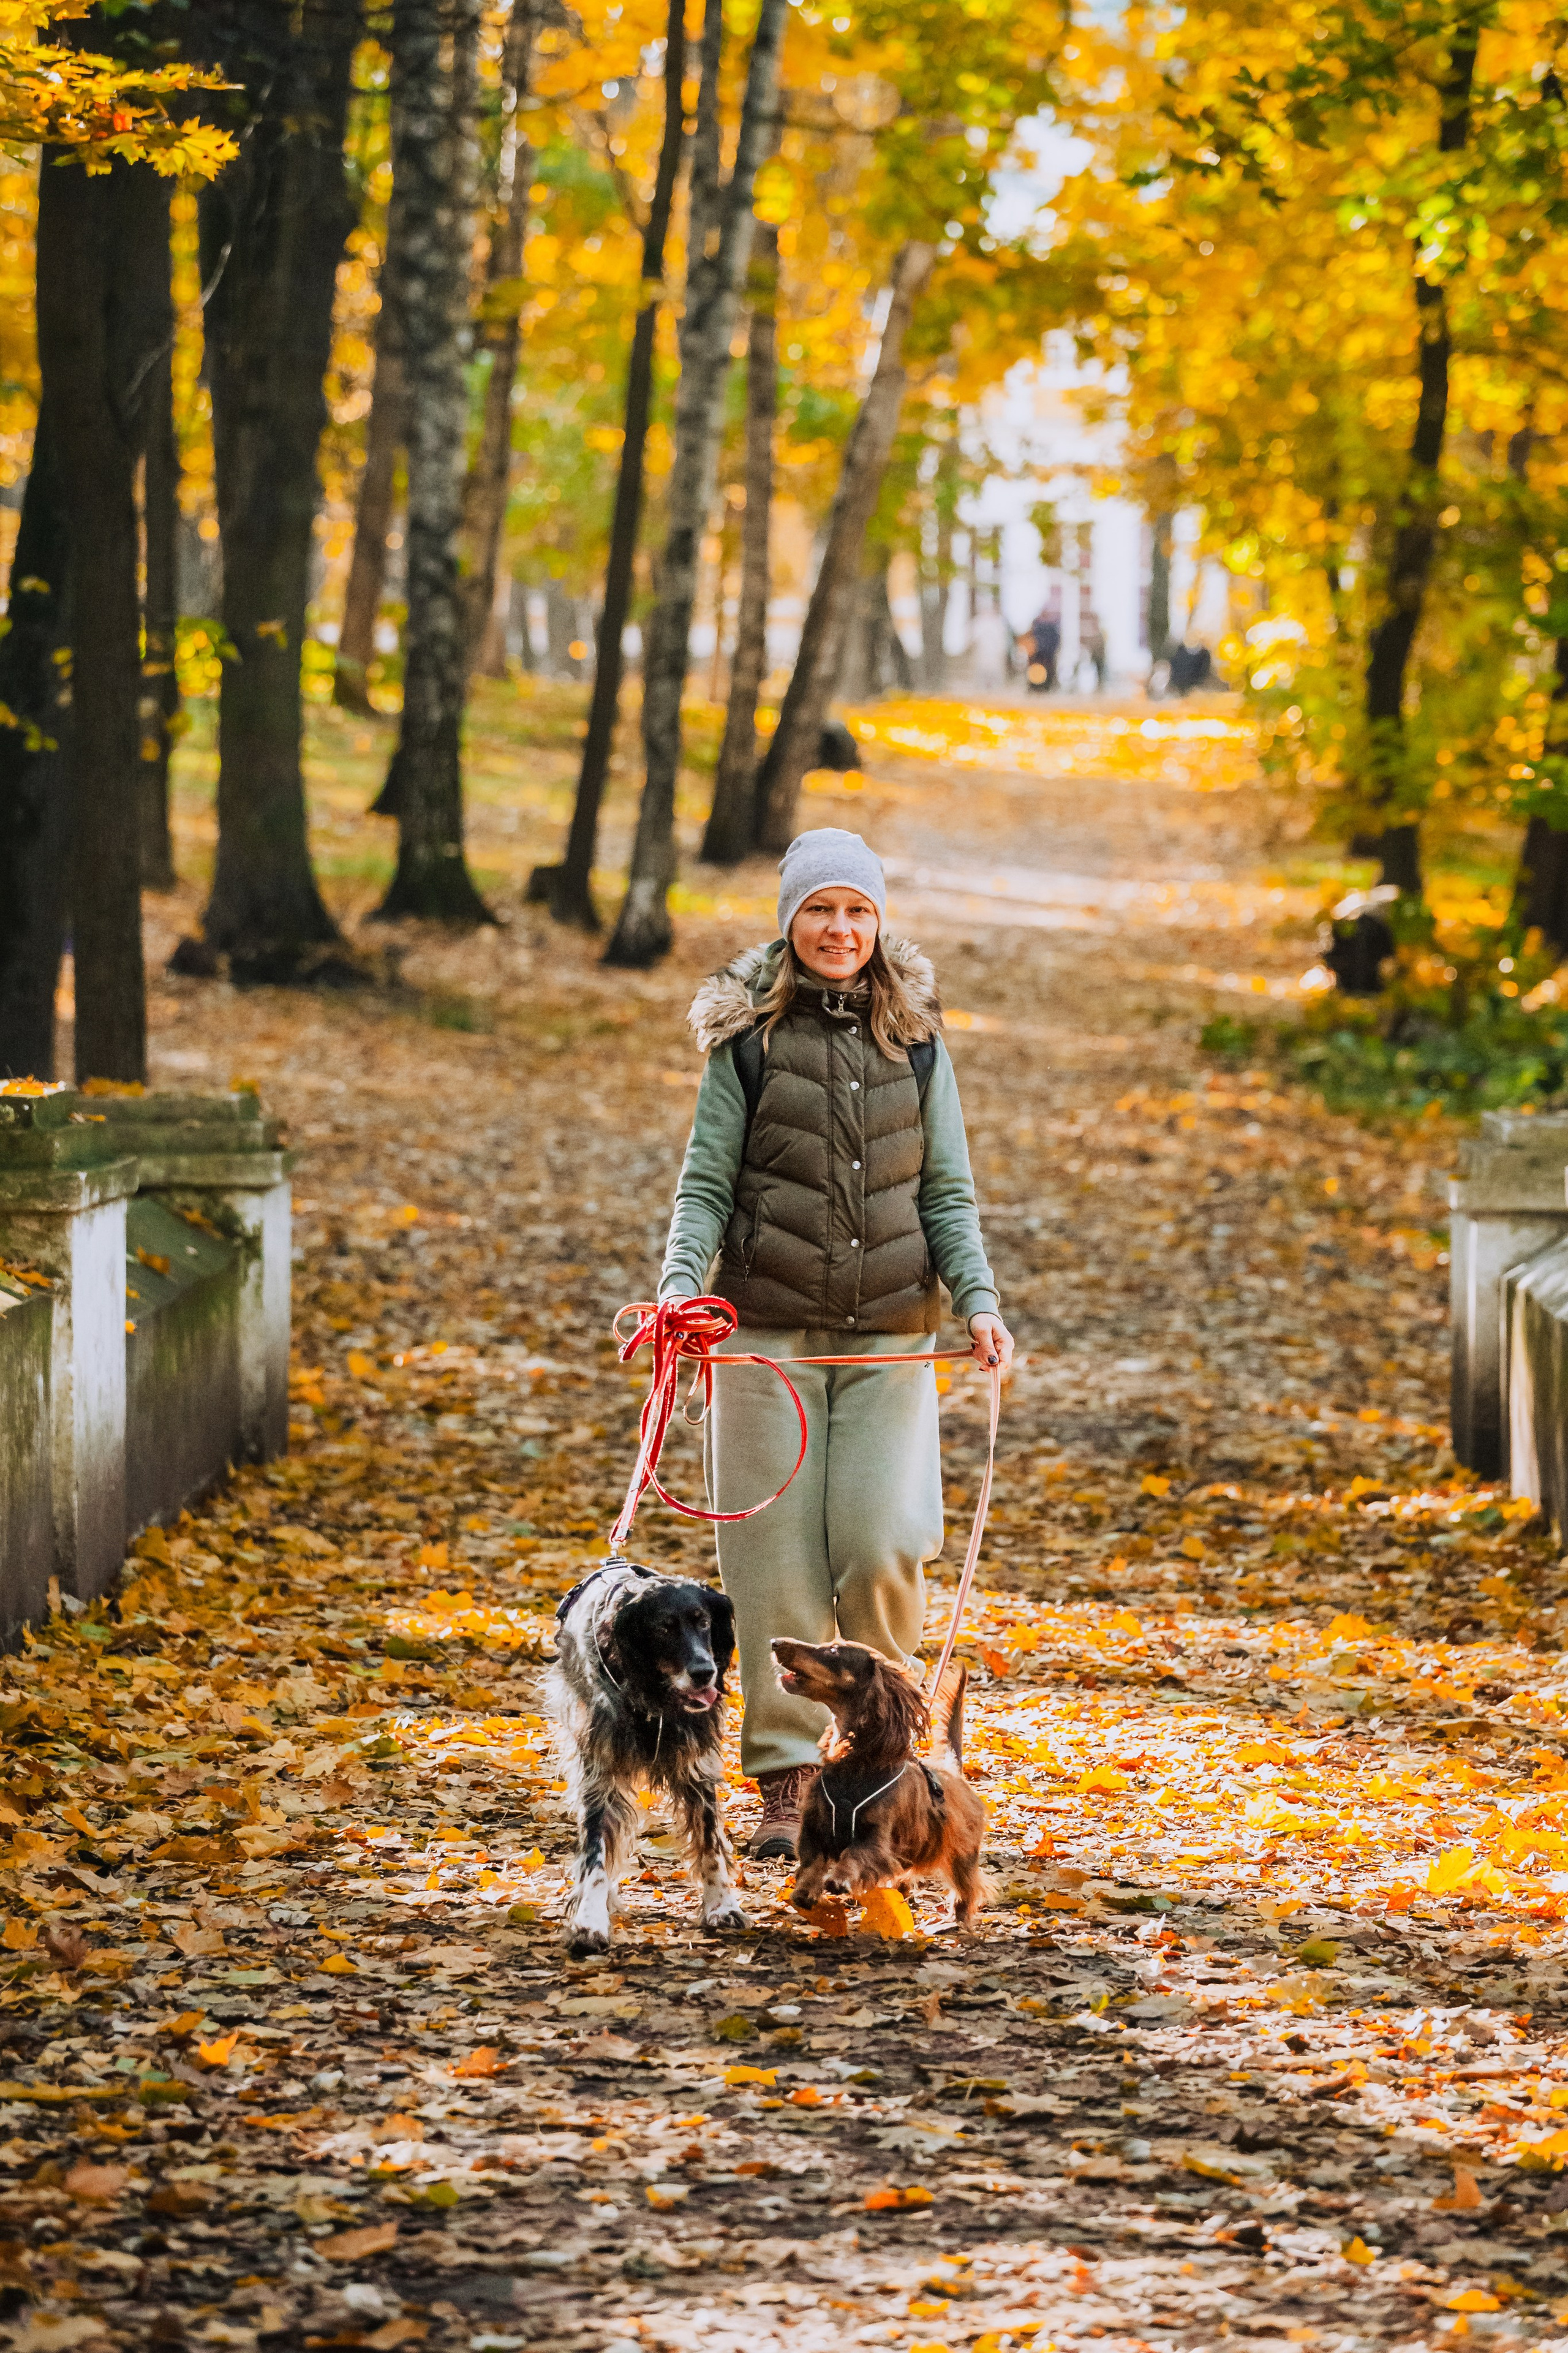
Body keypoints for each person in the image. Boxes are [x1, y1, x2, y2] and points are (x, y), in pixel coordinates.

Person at [658, 829, 1014, 1858]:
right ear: (791, 919)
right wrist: (681, 1290)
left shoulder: (918, 1037)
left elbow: (947, 1190)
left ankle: (879, 1752)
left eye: (857, 911)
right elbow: (705, 1186)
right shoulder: (748, 1040)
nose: (840, 929)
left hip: (892, 1337)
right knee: (772, 1564)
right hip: (763, 1333)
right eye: (821, 910)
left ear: (879, 923)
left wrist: (979, 1300)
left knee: (880, 1543)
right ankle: (786, 1778)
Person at [1026, 608, 1060, 692]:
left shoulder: (1050, 627)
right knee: (1034, 673)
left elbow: (1055, 641)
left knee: (1048, 673)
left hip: (1047, 655)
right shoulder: (1038, 626)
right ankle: (1035, 688)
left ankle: (1045, 688)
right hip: (1038, 655)